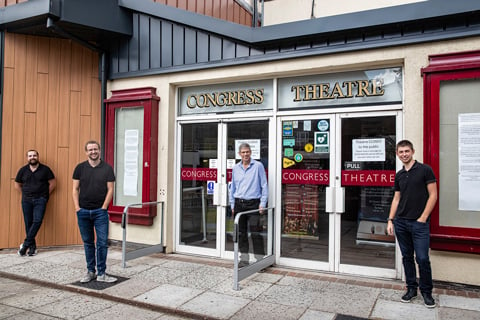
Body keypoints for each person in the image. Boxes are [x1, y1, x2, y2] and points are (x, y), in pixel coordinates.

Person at [387, 140, 438, 308]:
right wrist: (390, 220)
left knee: (422, 259)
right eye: (401, 152)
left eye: (407, 151)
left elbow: (433, 195)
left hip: (419, 224)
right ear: (397, 154)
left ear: (413, 151)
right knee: (407, 257)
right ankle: (411, 289)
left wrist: (423, 218)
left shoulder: (425, 170)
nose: (404, 154)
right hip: (401, 222)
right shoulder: (399, 175)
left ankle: (427, 292)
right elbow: (396, 198)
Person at [72, 140, 117, 283]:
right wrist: (77, 208)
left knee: (102, 243)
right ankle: (90, 271)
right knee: (88, 243)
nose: (93, 152)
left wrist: (104, 207)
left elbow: (110, 189)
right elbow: (75, 189)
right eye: (90, 150)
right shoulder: (80, 168)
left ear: (99, 150)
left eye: (95, 149)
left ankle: (101, 273)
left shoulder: (107, 168)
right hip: (83, 211)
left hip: (100, 212)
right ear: (86, 152)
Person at [229, 143, 268, 266]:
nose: (245, 154)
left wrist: (262, 203)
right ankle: (244, 259)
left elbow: (264, 185)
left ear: (251, 152)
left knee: (256, 233)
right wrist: (232, 205)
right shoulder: (235, 168)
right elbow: (233, 188)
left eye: (247, 152)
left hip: (253, 204)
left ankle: (260, 260)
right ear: (239, 154)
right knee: (241, 233)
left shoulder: (258, 166)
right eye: (243, 152)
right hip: (239, 203)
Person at [14, 150, 56, 256]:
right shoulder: (23, 170)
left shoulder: (45, 170)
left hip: (40, 200)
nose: (32, 157)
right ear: (27, 158)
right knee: (28, 223)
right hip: (26, 200)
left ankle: (25, 245)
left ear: (38, 156)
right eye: (30, 156)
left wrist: (44, 196)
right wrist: (24, 194)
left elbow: (52, 183)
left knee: (37, 220)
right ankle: (32, 248)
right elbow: (17, 184)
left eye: (34, 155)